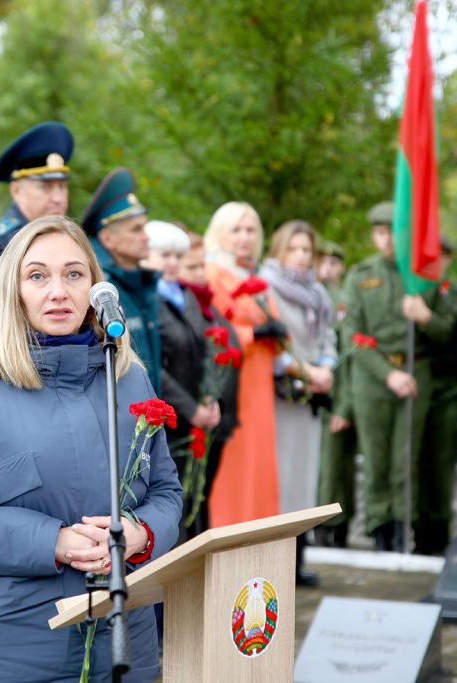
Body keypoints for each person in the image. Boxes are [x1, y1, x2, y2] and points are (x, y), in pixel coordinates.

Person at [0, 216, 182, 682]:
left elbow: (165, 490)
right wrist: (53, 541)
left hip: (124, 636)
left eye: (74, 274)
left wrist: (141, 533)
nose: (58, 291)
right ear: (12, 290)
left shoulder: (128, 377)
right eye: (37, 275)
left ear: (96, 289)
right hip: (14, 647)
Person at [342, 201, 455, 552]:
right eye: (379, 232)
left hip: (415, 371)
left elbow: (448, 331)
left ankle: (403, 528)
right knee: (375, 460)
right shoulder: (360, 277)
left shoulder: (425, 277)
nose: (387, 239)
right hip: (373, 377)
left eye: (394, 231)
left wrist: (425, 318)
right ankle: (380, 533)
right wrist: (388, 374)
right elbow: (352, 335)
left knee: (405, 459)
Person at [259, 220, 335, 584]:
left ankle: (298, 560)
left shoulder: (319, 293)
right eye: (295, 248)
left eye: (308, 249)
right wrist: (308, 371)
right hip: (282, 393)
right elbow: (272, 347)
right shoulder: (266, 286)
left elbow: (328, 335)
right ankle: (278, 561)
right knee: (283, 476)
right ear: (280, 249)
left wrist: (328, 366)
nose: (302, 256)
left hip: (312, 395)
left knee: (307, 477)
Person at [203, 201, 286, 528]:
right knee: (235, 466)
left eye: (251, 230)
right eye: (236, 229)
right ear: (220, 233)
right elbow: (213, 331)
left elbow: (277, 327)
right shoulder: (212, 275)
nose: (244, 237)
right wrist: (254, 332)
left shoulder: (256, 279)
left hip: (261, 383)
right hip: (233, 383)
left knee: (259, 464)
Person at [143, 220, 219, 536]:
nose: (172, 263)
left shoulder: (185, 297)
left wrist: (211, 397)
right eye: (165, 255)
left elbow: (206, 349)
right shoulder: (149, 300)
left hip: (194, 414)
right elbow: (153, 365)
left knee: (193, 498)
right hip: (167, 417)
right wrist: (190, 407)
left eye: (178, 256)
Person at [178, 229, 240, 533]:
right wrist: (198, 404)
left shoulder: (206, 303)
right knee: (188, 501)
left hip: (214, 414)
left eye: (201, 266)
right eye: (191, 268)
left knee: (200, 497)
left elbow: (230, 344)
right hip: (189, 418)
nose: (200, 275)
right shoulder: (182, 304)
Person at [82, 168, 162, 390]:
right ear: (108, 238)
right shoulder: (100, 289)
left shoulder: (142, 281)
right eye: (136, 229)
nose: (146, 237)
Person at [416, 236, 457, 555]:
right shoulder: (413, 291)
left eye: (441, 257)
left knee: (441, 460)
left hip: (447, 385)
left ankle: (437, 533)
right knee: (413, 459)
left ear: (449, 259)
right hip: (416, 382)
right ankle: (416, 528)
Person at [0, 121, 73, 269]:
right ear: (17, 191)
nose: (58, 199)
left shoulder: (69, 237)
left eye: (62, 187)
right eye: (45, 188)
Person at [314, 240, 358, 548]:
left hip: (337, 394)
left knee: (334, 467)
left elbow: (349, 357)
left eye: (334, 263)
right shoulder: (310, 296)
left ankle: (333, 526)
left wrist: (344, 404)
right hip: (308, 392)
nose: (327, 268)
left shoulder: (345, 301)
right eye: (323, 262)